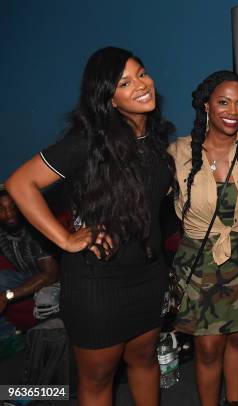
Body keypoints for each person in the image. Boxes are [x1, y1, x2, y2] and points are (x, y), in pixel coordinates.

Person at [6, 47, 174, 406]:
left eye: (141, 73)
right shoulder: (88, 143)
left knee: (145, 361)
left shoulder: (156, 141)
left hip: (148, 275)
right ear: (109, 99)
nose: (141, 85)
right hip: (98, 282)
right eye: (125, 83)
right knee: (98, 380)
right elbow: (20, 184)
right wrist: (66, 239)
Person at [169, 71, 238, 406]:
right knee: (208, 346)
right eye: (223, 102)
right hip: (198, 259)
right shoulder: (178, 152)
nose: (233, 110)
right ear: (206, 106)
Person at [0, 186, 59, 342]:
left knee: (45, 299)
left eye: (13, 207)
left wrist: (7, 296)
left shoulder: (35, 230)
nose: (9, 213)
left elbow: (49, 276)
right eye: (2, 209)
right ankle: (8, 333)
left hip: (58, 279)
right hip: (27, 276)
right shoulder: (3, 233)